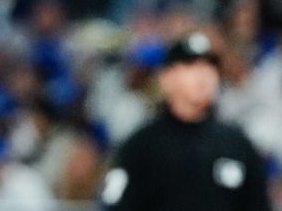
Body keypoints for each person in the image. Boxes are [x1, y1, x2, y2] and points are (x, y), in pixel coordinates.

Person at [101, 30, 272, 211]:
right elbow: (114, 206)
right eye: (190, 66)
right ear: (166, 78)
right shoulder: (140, 147)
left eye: (210, 66)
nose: (202, 75)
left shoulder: (237, 145)